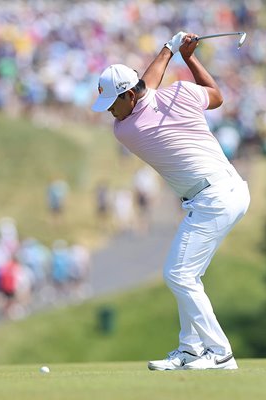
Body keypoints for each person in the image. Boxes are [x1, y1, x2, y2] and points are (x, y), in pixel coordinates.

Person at [91, 32, 250, 370]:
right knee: (188, 276)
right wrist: (186, 56)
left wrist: (172, 49)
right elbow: (216, 96)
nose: (110, 113)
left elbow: (146, 85)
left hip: (214, 198)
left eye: (112, 104)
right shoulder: (179, 94)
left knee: (178, 275)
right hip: (229, 190)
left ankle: (219, 352)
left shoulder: (128, 128)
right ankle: (191, 350)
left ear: (129, 96)